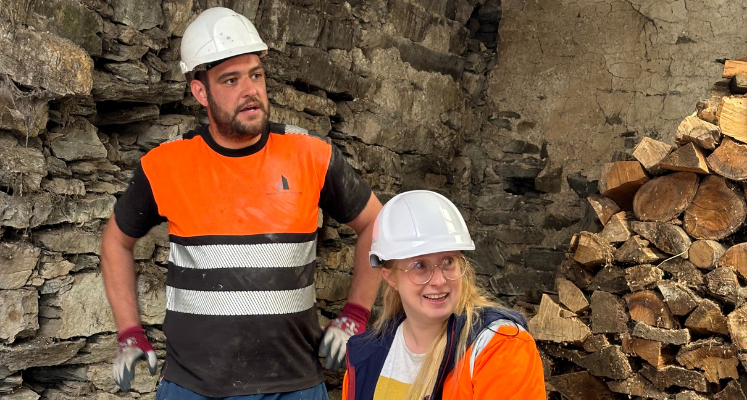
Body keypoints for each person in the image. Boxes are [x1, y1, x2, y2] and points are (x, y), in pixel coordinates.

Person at [100, 7, 382, 399]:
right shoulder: (166, 165)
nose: (250, 90)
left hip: (294, 384)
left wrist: (355, 315)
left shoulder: (310, 154)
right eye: (231, 80)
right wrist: (129, 333)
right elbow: (115, 241)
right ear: (201, 91)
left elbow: (377, 224)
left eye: (256, 75)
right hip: (193, 387)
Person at [342, 190, 546, 400]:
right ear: (390, 277)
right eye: (419, 265)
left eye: (448, 261)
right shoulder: (364, 358)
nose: (438, 280)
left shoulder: (500, 346)